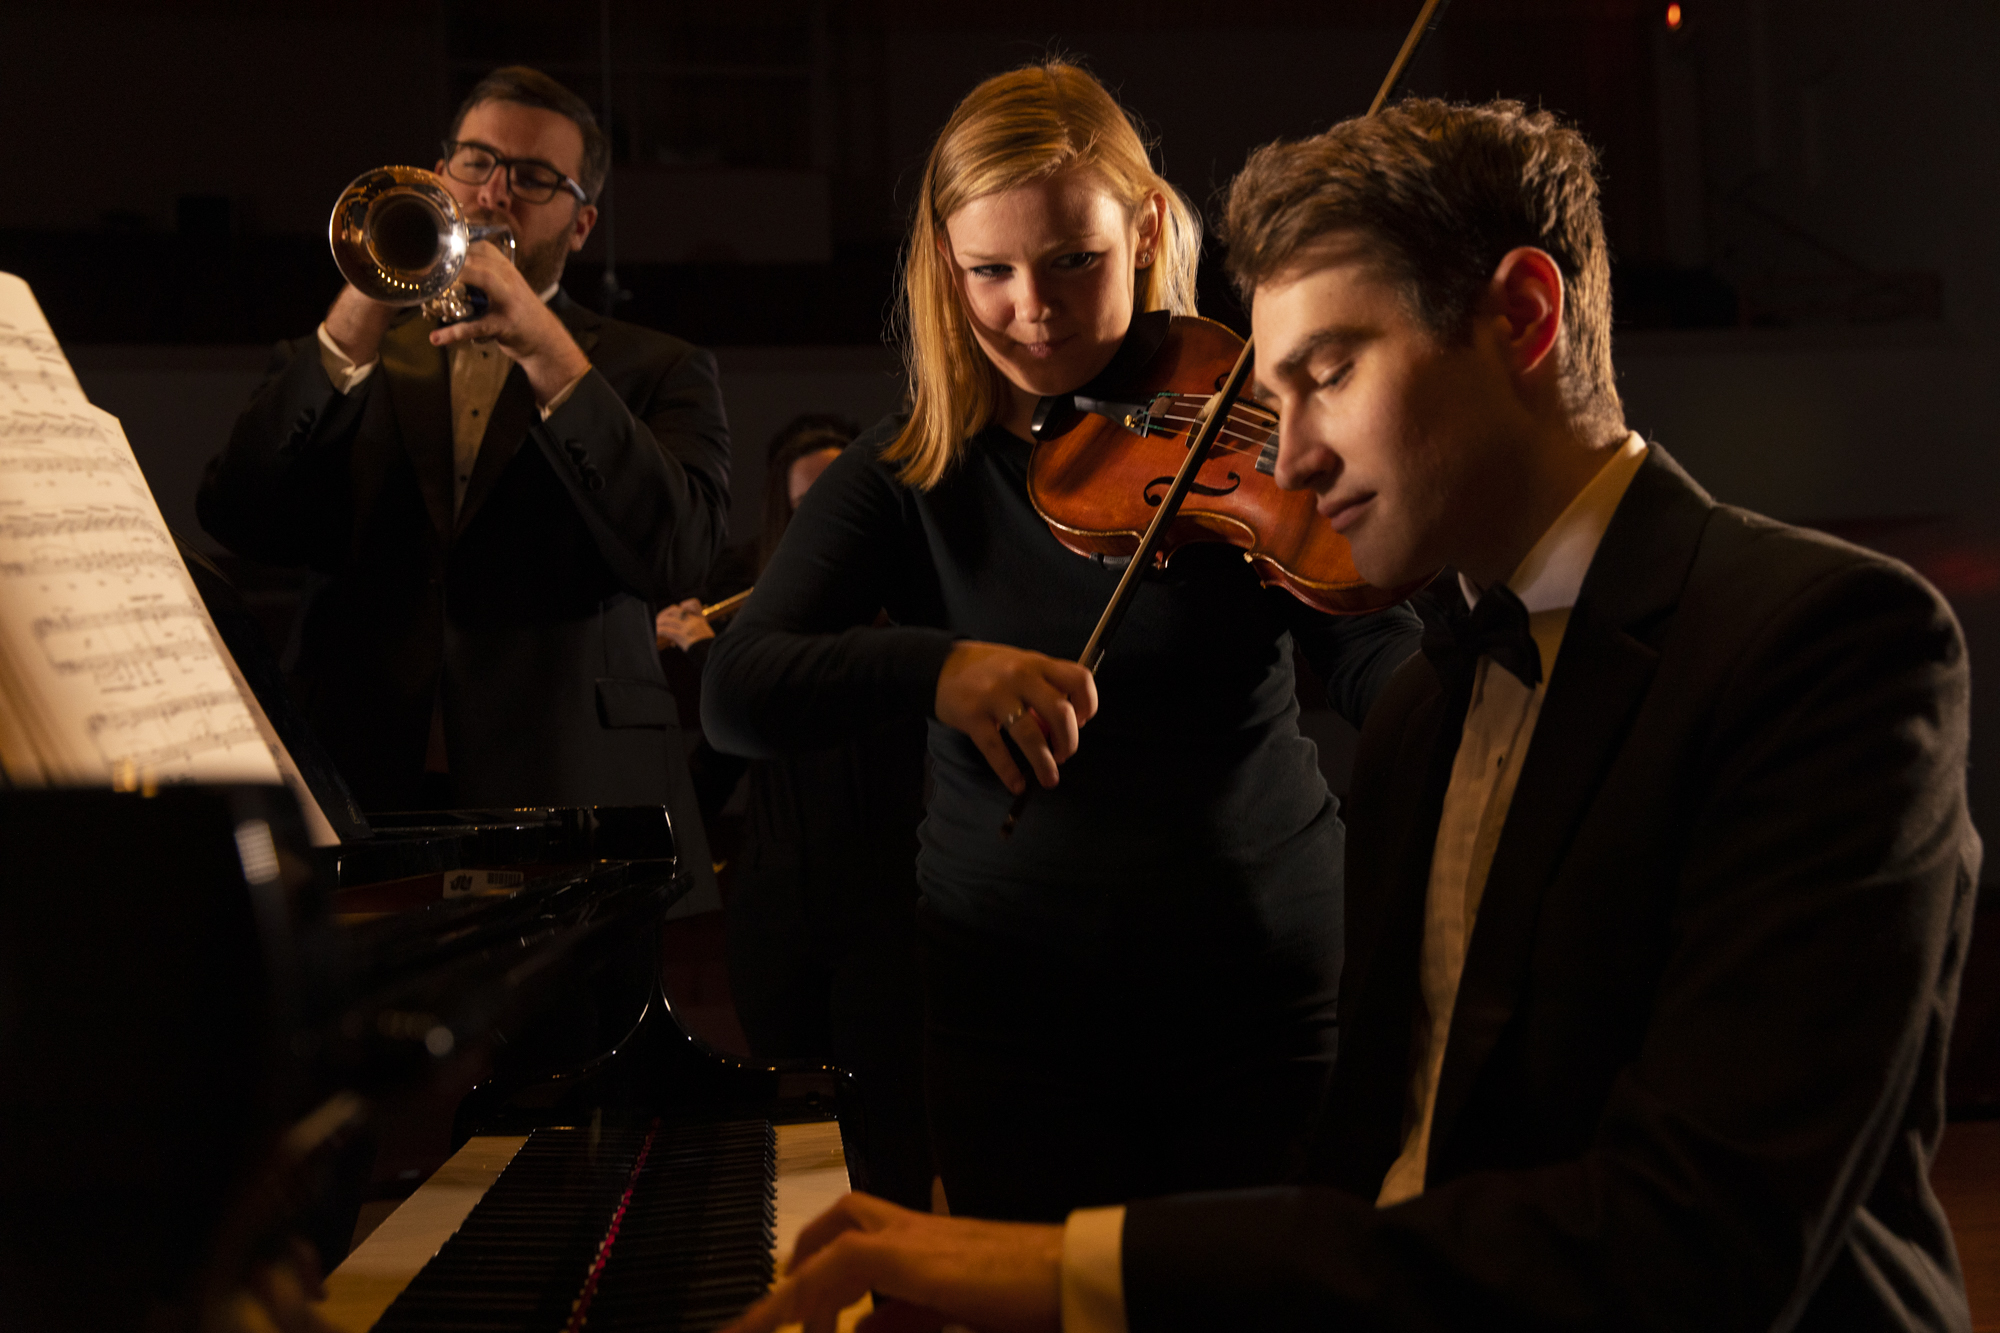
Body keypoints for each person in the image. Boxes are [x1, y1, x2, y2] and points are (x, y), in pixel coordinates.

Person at [719, 98, 1979, 1333]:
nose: (1280, 458)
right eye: (1270, 388)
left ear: (1523, 317)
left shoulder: (1819, 650)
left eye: (1323, 373)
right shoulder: (1434, 713)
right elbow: (1386, 1191)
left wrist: (1064, 1272)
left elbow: (1692, 1240)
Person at [699, 61, 1424, 1226]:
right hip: (1010, 1007)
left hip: (1261, 988)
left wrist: (1461, 714)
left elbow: (1366, 649)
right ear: (943, 262)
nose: (1030, 310)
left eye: (1071, 262)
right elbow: (738, 688)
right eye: (989, 272)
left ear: (1143, 231)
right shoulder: (907, 471)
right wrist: (940, 667)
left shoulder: (1244, 409)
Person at [199, 65, 730, 812]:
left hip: (571, 785)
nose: (493, 193)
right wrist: (360, 309)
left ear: (582, 225)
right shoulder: (347, 346)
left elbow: (683, 555)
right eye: (476, 162)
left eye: (535, 176)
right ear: (439, 171)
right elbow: (238, 512)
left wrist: (551, 355)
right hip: (356, 776)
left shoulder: (661, 367)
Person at [656, 413, 935, 1213]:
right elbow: (713, 771)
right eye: (806, 508)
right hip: (774, 905)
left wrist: (717, 654)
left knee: (891, 1120)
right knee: (792, 1121)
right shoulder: (758, 629)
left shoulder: (899, 611)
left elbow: (837, 708)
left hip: (884, 903)